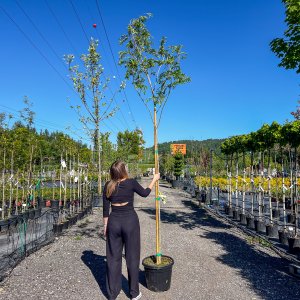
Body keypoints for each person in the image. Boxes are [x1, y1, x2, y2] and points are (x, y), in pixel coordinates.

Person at [103, 160, 160, 300]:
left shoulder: (108, 186)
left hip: (114, 222)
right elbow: (145, 193)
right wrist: (154, 179)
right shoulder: (131, 183)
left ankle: (112, 293)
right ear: (123, 171)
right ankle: (134, 293)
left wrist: (106, 227)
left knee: (113, 258)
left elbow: (105, 211)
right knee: (132, 258)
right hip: (130, 222)